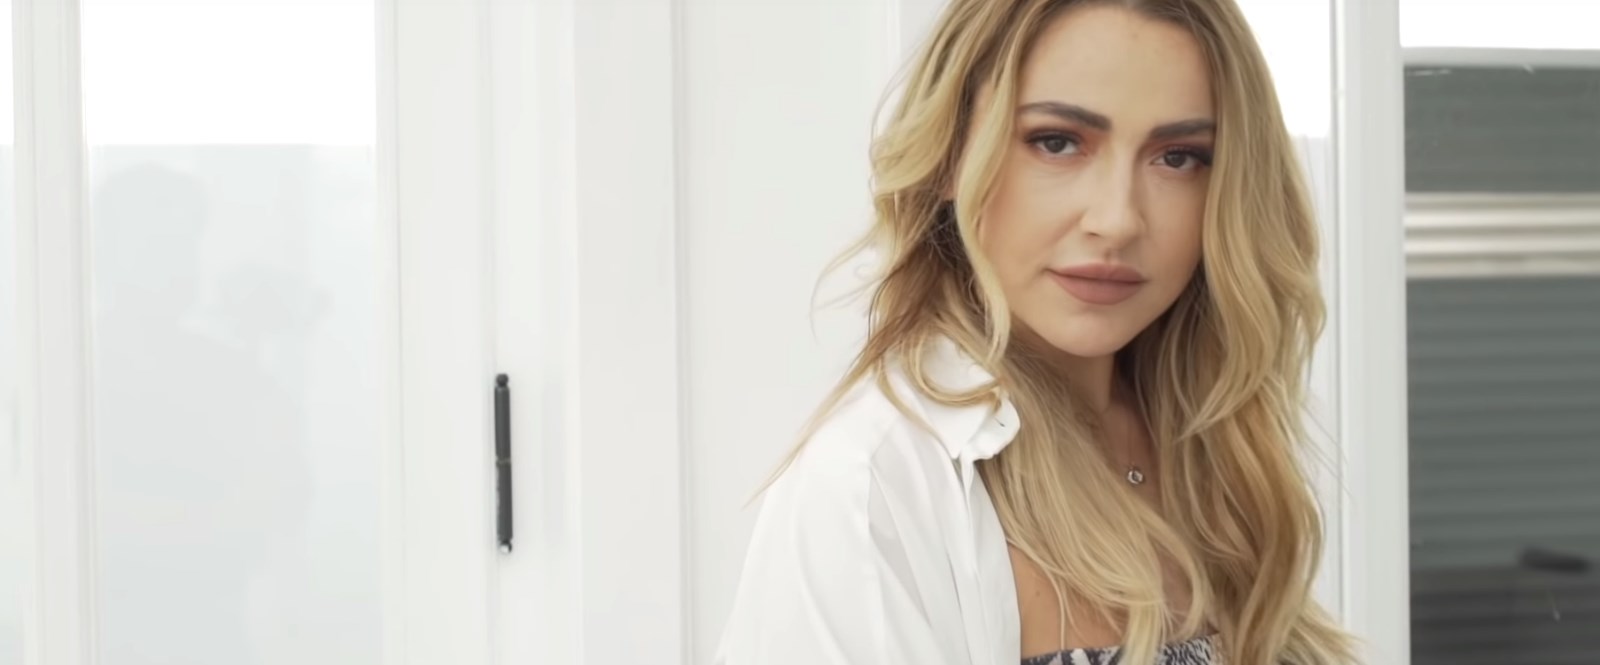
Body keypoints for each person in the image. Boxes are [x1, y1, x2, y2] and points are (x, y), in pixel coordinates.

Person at [714, 0, 1357, 663]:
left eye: (1178, 157)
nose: (1117, 220)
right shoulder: (872, 488)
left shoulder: (1219, 453)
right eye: (1057, 142)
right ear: (950, 156)